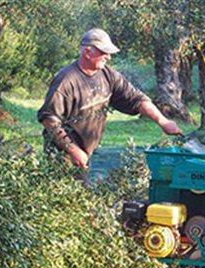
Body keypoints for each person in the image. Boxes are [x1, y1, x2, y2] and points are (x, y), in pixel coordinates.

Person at [38, 28, 181, 169]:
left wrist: (163, 121)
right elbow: (49, 120)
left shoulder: (108, 75)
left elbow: (136, 99)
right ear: (87, 52)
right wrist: (73, 150)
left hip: (89, 153)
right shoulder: (66, 81)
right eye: (103, 52)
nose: (108, 57)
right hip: (62, 157)